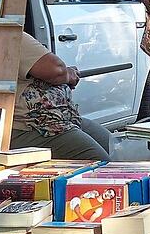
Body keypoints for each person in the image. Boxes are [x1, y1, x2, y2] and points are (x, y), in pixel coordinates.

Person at [10, 32, 111, 161]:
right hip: (33, 126)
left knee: (117, 149)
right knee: (105, 166)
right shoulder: (9, 34)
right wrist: (68, 75)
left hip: (60, 119)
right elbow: (56, 70)